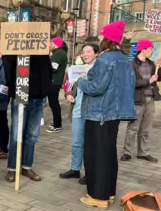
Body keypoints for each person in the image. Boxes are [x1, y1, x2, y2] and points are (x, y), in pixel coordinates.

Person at [77, 20, 136, 209]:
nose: (100, 38)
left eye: (102, 35)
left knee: (96, 155)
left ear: (108, 39)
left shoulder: (105, 59)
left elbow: (96, 87)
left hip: (99, 113)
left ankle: (98, 196)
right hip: (113, 114)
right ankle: (109, 192)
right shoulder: (123, 59)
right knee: (108, 153)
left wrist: (81, 82)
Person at [2, 53, 52, 183]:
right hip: (20, 97)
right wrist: (13, 89)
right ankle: (12, 168)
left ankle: (26, 166)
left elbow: (48, 69)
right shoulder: (14, 51)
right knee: (16, 135)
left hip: (37, 97)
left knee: (32, 135)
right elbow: (8, 67)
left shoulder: (41, 50)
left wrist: (46, 87)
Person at [59, 43, 99, 185]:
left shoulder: (99, 69)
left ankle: (90, 172)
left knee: (90, 144)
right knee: (77, 142)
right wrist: (69, 94)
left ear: (96, 53)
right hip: (77, 110)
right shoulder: (78, 69)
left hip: (92, 112)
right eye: (83, 52)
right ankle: (75, 169)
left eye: (88, 51)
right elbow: (70, 86)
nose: (85, 54)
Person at [120, 39, 159, 163]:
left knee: (146, 129)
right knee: (133, 128)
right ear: (143, 49)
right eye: (150, 49)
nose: (152, 51)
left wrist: (160, 65)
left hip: (150, 99)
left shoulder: (152, 64)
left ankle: (143, 152)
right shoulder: (131, 64)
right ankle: (127, 152)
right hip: (137, 100)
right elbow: (130, 83)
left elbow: (158, 77)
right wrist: (149, 81)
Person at [46, 37, 68, 133]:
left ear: (56, 44)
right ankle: (57, 123)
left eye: (51, 43)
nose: (50, 45)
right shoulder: (59, 53)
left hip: (54, 81)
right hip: (56, 81)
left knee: (53, 103)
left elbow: (53, 68)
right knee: (54, 103)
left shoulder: (58, 53)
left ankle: (57, 125)